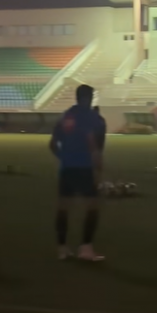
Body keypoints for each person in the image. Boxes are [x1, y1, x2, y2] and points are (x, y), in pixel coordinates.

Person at [50, 85, 107, 262]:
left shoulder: (66, 117)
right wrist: (98, 167)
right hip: (85, 168)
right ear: (89, 98)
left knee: (63, 207)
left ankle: (62, 248)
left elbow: (52, 144)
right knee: (93, 206)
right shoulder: (93, 118)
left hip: (67, 168)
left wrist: (65, 157)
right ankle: (86, 248)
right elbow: (93, 143)